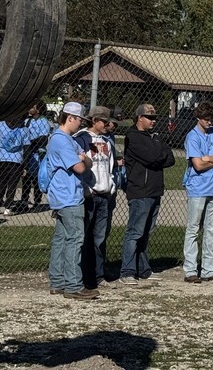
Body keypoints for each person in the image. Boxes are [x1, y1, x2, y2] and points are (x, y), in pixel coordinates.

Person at [120, 102, 176, 285]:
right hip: (140, 191)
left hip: (154, 190)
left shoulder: (156, 137)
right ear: (139, 118)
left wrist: (157, 153)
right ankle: (127, 270)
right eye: (149, 118)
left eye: (154, 118)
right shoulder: (133, 137)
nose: (153, 121)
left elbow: (170, 159)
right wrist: (158, 153)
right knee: (135, 232)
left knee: (146, 232)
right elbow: (153, 158)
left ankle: (143, 269)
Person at [46, 101, 95, 300]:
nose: (81, 124)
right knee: (75, 238)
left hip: (64, 195)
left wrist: (83, 158)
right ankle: (73, 284)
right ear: (70, 118)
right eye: (79, 120)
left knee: (62, 238)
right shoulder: (62, 140)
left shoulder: (67, 139)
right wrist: (82, 158)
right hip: (68, 196)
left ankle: (58, 281)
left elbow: (88, 159)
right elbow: (82, 167)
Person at [182, 102, 213, 283]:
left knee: (212, 229)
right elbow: (198, 165)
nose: (209, 122)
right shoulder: (192, 136)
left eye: (211, 119)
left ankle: (210, 270)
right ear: (198, 118)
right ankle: (190, 270)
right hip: (197, 188)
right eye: (206, 119)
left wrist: (210, 158)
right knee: (193, 228)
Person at [78, 105, 119, 289]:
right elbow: (79, 167)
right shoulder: (82, 139)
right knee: (85, 237)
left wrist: (111, 186)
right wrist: (87, 189)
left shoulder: (107, 141)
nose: (107, 124)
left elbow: (110, 166)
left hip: (104, 194)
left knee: (100, 238)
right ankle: (84, 276)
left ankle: (99, 274)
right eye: (103, 121)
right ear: (94, 121)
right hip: (90, 195)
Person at [21, 101, 53, 211]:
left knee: (36, 178)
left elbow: (43, 139)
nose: (30, 108)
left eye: (33, 107)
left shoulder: (43, 121)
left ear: (38, 110)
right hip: (28, 152)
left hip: (38, 153)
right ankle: (24, 201)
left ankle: (37, 201)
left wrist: (30, 142)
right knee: (26, 178)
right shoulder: (27, 121)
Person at [0, 118, 27, 215]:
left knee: (1, 182)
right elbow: (26, 147)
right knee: (12, 184)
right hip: (16, 159)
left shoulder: (1, 124)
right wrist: (25, 165)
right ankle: (7, 207)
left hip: (2, 158)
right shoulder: (23, 128)